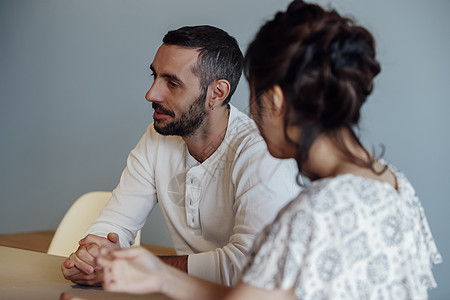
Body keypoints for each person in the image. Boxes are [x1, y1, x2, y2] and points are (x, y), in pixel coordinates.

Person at [95, 1, 442, 299]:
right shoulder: (393, 183)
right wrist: (160, 276)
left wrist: (158, 272)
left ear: (274, 100)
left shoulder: (318, 210)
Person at [61, 25, 300, 287]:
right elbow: (114, 224)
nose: (151, 94)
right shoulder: (156, 138)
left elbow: (252, 266)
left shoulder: (261, 151)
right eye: (154, 76)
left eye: (172, 83)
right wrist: (93, 255)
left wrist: (135, 267)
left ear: (217, 93)